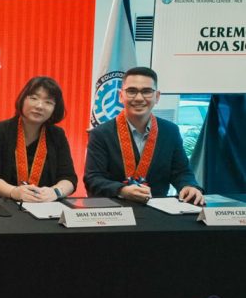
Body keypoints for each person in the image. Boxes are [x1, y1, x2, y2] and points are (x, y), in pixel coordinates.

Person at [84, 67, 205, 205]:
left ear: (157, 97)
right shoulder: (100, 134)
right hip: (115, 211)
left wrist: (189, 186)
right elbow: (93, 179)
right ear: (121, 96)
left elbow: (181, 172)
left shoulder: (170, 131)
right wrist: (122, 190)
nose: (139, 98)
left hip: (157, 210)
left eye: (146, 91)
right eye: (131, 91)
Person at [0, 76, 77, 202]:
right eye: (34, 98)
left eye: (48, 102)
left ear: (55, 108)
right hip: (6, 203)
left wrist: (55, 192)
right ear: (22, 99)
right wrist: (13, 192)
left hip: (46, 204)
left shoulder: (57, 135)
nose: (40, 106)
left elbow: (69, 178)